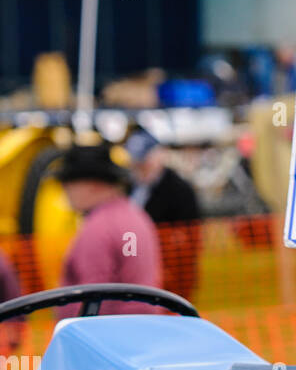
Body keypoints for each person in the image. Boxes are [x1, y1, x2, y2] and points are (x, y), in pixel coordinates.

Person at [57, 143, 161, 318]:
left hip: (109, 334)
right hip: (140, 328)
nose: (65, 191)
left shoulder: (97, 229)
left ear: (93, 184)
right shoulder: (135, 215)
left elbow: (94, 298)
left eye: (68, 183)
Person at [126, 130, 201, 300]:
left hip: (170, 274)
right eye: (136, 163)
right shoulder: (129, 187)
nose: (140, 167)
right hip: (135, 265)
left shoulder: (179, 190)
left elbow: (188, 237)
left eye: (144, 162)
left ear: (158, 157)